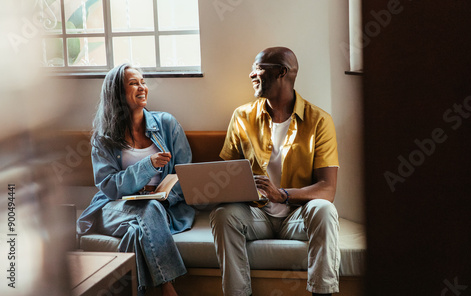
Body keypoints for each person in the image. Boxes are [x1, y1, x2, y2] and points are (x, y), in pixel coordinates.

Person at [210, 47, 340, 296]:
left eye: (258, 68)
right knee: (222, 215)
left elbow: (328, 188)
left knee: (325, 209)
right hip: (255, 215)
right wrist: (226, 190)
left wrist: (282, 194)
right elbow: (225, 174)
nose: (251, 75)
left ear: (282, 72)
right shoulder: (242, 117)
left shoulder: (319, 121)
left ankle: (321, 293)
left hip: (297, 217)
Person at [77, 63, 195, 296]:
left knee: (136, 230)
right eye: (133, 83)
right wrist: (147, 166)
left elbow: (187, 174)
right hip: (115, 207)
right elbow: (110, 187)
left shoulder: (167, 124)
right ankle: (167, 286)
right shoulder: (103, 138)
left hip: (161, 208)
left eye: (143, 82)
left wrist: (164, 197)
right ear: (117, 93)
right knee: (148, 209)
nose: (142, 87)